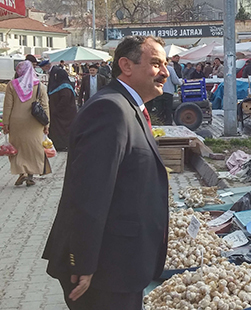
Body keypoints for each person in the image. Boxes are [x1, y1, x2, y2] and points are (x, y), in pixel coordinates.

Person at [42, 35, 170, 310]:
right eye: (156, 63)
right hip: (103, 271)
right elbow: (88, 193)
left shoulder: (129, 106)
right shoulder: (109, 109)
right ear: (126, 65)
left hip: (121, 263)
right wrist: (83, 262)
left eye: (166, 64)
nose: (165, 72)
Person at [2, 60, 51, 186]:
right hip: (34, 122)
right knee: (33, 148)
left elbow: (7, 106)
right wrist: (47, 124)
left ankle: (22, 173)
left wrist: (6, 124)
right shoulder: (39, 85)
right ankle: (30, 175)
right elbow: (45, 106)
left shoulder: (12, 85)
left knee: (18, 147)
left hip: (16, 121)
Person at [47, 68, 77, 151]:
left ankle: (63, 145)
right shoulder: (59, 85)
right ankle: (58, 144)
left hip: (64, 114)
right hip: (58, 114)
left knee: (63, 131)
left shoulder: (65, 86)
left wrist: (56, 109)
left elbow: (65, 99)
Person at [147, 59, 182, 125]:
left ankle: (159, 125)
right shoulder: (170, 69)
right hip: (168, 93)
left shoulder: (156, 69)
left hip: (158, 92)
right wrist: (181, 82)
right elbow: (175, 80)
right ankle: (168, 125)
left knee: (159, 111)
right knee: (168, 111)